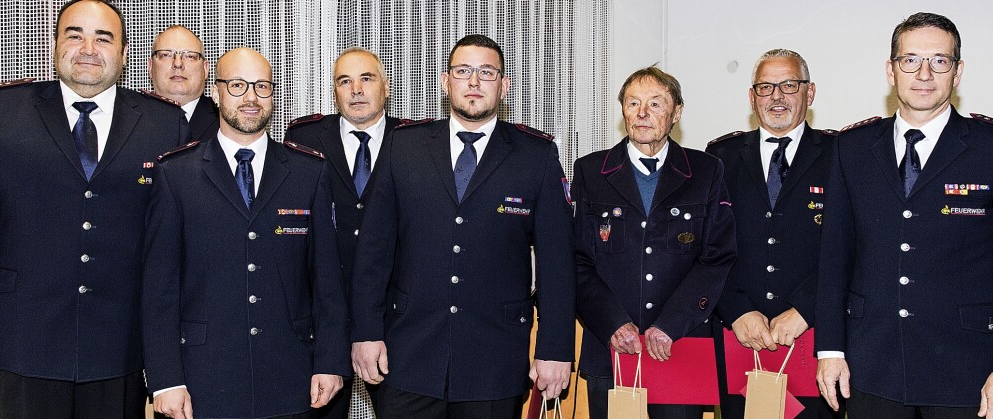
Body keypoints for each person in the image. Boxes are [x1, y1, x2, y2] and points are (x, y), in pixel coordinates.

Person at [349, 34, 576, 419]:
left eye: (487, 72)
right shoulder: (402, 146)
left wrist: (555, 349)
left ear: (504, 86)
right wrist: (365, 332)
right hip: (407, 357)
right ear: (445, 81)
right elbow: (373, 250)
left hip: (494, 360)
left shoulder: (536, 155)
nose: (474, 82)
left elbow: (557, 263)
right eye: (463, 71)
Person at [0, 1, 186, 417]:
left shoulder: (164, 124)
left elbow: (170, 247)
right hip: (24, 337)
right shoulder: (1, 112)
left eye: (103, 37)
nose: (88, 48)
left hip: (120, 344)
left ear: (124, 52)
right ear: (54, 44)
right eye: (75, 35)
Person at [816, 12, 993, 419]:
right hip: (872, 366)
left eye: (939, 60)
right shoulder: (850, 148)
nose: (924, 73)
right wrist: (830, 349)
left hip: (967, 370)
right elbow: (834, 257)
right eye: (910, 60)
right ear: (891, 70)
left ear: (957, 73)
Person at [142, 47, 350, 419]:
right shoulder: (176, 175)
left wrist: (331, 360)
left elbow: (327, 283)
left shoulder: (308, 172)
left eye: (262, 86)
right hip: (202, 380)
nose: (251, 97)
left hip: (291, 377)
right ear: (217, 91)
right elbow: (159, 290)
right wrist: (165, 379)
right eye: (237, 85)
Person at [572, 66, 735, 418]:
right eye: (633, 103)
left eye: (655, 104)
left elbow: (716, 257)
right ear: (623, 112)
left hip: (681, 345)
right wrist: (613, 322)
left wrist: (670, 325)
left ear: (677, 112)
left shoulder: (706, 171)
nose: (642, 113)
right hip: (611, 347)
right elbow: (578, 260)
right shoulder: (590, 172)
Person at [706, 49, 840, 419]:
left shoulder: (840, 154)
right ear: (752, 98)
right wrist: (735, 311)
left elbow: (851, 247)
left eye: (789, 85)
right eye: (766, 87)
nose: (777, 96)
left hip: (813, 337)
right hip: (739, 336)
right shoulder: (720, 156)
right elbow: (709, 246)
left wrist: (805, 310)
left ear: (809, 93)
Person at [285, 46, 399, 418]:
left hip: (393, 318)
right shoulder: (306, 138)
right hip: (321, 316)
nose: (356, 90)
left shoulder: (415, 142)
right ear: (334, 91)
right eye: (344, 81)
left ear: (386, 85)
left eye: (366, 78)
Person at [148, 25, 218, 141]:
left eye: (190, 56)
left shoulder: (225, 120)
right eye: (166, 55)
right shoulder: (126, 119)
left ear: (205, 69)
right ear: (150, 67)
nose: (178, 63)